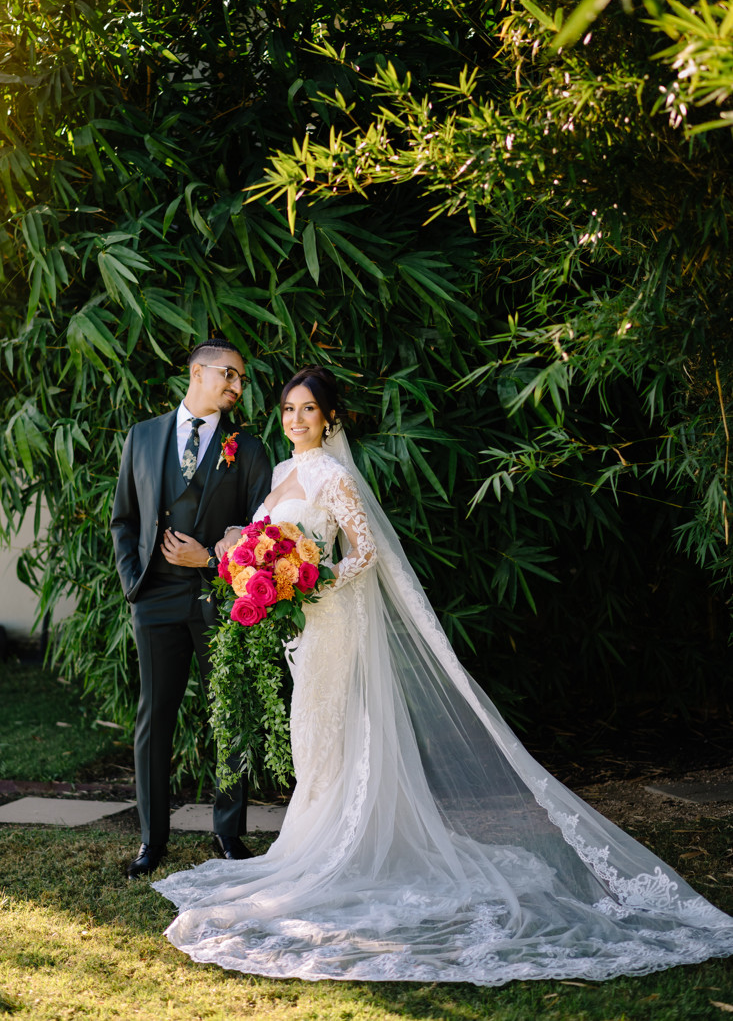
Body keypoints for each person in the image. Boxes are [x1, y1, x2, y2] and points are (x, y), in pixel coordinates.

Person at [152, 366, 733, 983]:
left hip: (333, 621)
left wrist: (312, 580)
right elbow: (267, 540)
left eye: (308, 410)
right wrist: (252, 567)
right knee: (309, 731)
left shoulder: (335, 475)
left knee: (326, 729)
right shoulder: (275, 473)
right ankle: (310, 843)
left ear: (330, 419)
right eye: (289, 409)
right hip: (301, 628)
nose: (295, 419)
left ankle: (331, 851)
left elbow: (366, 553)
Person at [111, 339, 271, 880]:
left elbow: (260, 534)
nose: (237, 387)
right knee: (154, 718)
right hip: (153, 599)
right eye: (230, 374)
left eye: (242, 380)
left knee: (227, 715)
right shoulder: (143, 436)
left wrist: (209, 562)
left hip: (219, 600)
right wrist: (134, 582)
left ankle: (229, 834)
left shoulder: (247, 449)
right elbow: (123, 520)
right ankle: (151, 840)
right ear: (198, 373)